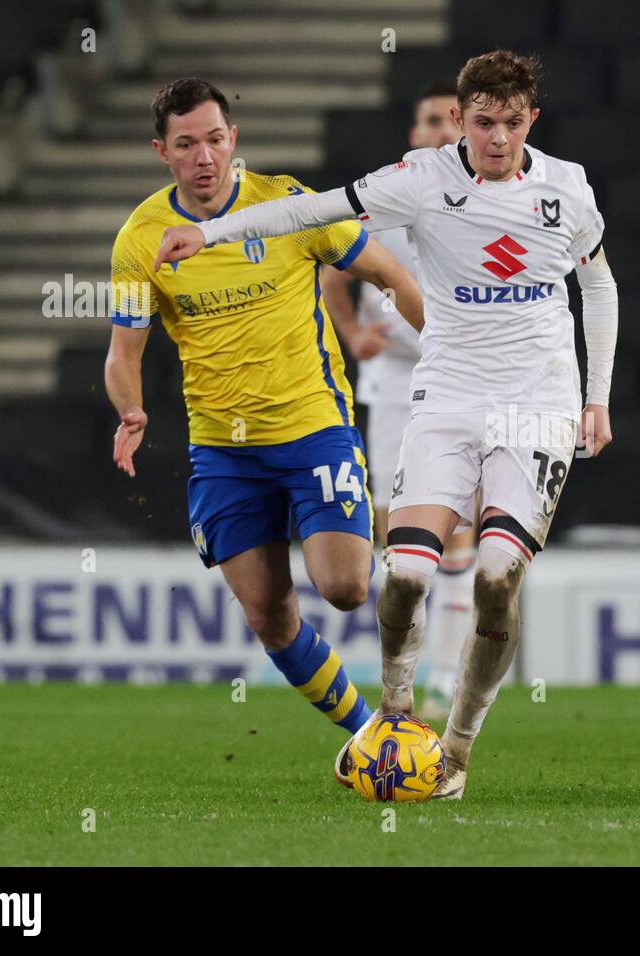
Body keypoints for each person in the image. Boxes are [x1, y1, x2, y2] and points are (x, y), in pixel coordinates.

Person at [153, 51, 618, 801]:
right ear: (460, 121)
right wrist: (209, 236)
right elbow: (314, 208)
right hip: (447, 395)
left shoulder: (567, 188)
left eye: (511, 123)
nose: (496, 139)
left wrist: (596, 397)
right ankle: (397, 722)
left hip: (538, 399)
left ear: (531, 120)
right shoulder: (423, 177)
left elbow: (597, 284)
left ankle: (457, 748)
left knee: (499, 576)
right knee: (401, 577)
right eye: (482, 122)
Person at [105, 77, 423, 739]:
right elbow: (123, 354)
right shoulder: (142, 239)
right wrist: (131, 410)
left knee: (345, 588)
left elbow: (390, 275)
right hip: (223, 450)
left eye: (215, 140)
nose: (204, 157)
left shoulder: (287, 205)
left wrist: (450, 353)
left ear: (234, 141)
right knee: (270, 618)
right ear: (161, 151)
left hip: (313, 431)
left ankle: (415, 650)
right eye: (186, 143)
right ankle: (370, 735)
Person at [318, 78, 475, 724]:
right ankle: (404, 685)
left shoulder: (488, 201)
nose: (439, 130)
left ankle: (445, 682)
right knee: (397, 540)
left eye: (449, 120)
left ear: (464, 129)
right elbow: (331, 263)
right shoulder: (391, 192)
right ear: (415, 134)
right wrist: (352, 332)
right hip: (392, 389)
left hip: (458, 384)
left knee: (458, 539)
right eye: (428, 120)